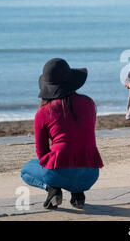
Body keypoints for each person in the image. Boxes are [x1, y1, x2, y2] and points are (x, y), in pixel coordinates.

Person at [21, 58, 104, 209]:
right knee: (76, 157)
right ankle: (78, 194)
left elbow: (41, 153)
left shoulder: (44, 112)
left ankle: (53, 190)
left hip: (59, 174)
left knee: (26, 170)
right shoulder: (89, 103)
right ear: (71, 81)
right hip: (91, 174)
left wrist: (55, 173)